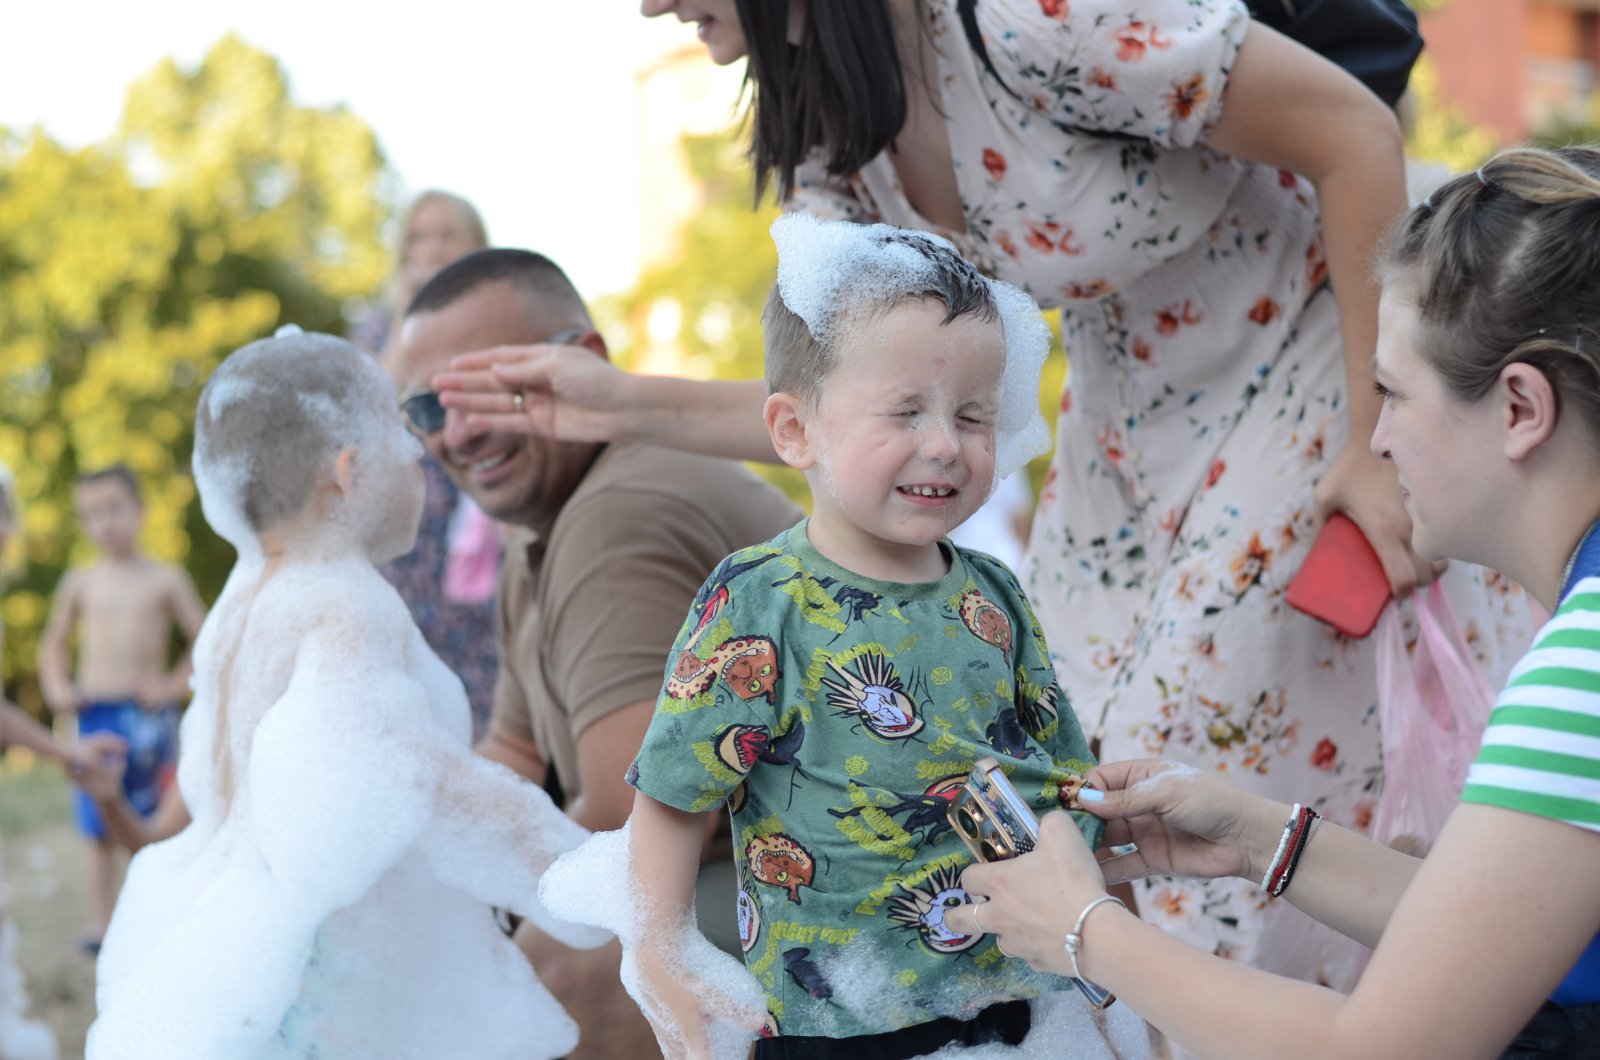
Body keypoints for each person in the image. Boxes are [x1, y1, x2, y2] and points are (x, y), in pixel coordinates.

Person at [442, 0, 1534, 988]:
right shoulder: (839, 141)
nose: (650, 6)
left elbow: (1355, 134)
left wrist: (1371, 434)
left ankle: (1368, 1012)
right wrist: (608, 403)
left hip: (1320, 338)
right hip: (1130, 403)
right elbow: (845, 412)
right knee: (1082, 768)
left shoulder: (1028, 19)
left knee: (1189, 737)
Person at [940, 144, 1600, 1058]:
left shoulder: (1582, 667)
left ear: (1521, 408)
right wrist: (1261, 840)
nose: (1377, 438)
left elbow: (1387, 1047)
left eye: (1393, 394)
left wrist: (1081, 927)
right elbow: (1503, 933)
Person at [613, 216, 1103, 1058]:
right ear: (795, 430)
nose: (944, 445)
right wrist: (660, 953)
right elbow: (671, 791)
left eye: (975, 416)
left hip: (1019, 1004)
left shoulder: (994, 593)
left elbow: (1057, 782)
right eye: (905, 412)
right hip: (839, 1018)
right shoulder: (761, 598)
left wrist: (1102, 954)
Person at [87, 331, 605, 1059]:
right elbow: (429, 779)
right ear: (349, 471)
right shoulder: (346, 604)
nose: (420, 453)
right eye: (401, 432)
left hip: (234, 951)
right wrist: (604, 888)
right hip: (329, 984)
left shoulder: (239, 607)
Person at [395, 248, 802, 1059]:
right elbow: (511, 759)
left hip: (849, 894)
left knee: (568, 966)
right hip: (763, 872)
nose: (461, 432)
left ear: (583, 363)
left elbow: (625, 819)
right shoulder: (543, 533)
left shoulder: (612, 516)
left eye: (490, 391)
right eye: (429, 408)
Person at [352, 189, 502, 737]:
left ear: (476, 246)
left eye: (446, 235)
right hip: (406, 542)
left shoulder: (503, 320)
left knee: (489, 690)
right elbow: (363, 416)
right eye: (418, 238)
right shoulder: (377, 329)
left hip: (487, 526)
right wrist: (405, 318)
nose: (432, 249)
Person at [36, 464, 204, 952]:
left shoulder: (165, 578)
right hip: (95, 717)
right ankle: (102, 927)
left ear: (140, 509)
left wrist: (170, 686)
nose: (103, 523)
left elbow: (205, 640)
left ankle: (157, 918)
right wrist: (57, 687)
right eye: (91, 514)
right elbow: (52, 644)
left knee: (153, 821)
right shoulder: (80, 581)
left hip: (146, 719)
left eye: (113, 508)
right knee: (98, 829)